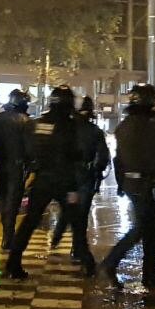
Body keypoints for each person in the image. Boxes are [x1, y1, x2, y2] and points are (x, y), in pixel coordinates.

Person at [6, 85, 82, 280]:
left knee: (30, 221)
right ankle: (88, 262)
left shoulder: (38, 123)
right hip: (63, 180)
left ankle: (13, 261)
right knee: (76, 221)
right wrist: (73, 187)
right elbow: (72, 155)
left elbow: (29, 150)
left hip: (42, 179)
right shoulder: (69, 125)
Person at [100, 84, 155, 289]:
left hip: (132, 182)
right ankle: (112, 262)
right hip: (143, 182)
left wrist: (122, 183)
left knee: (152, 228)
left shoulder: (124, 125)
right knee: (144, 227)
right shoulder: (152, 126)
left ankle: (150, 273)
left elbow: (118, 158)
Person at [51, 94, 109, 274]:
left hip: (67, 176)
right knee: (81, 215)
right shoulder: (95, 131)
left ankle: (59, 236)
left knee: (69, 208)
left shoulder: (68, 128)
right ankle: (79, 251)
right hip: (85, 176)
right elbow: (103, 157)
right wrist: (97, 171)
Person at [0, 88, 31, 251]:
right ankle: (9, 236)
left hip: (1, 164)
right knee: (13, 200)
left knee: (4, 198)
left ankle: (7, 234)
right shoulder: (26, 121)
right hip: (18, 166)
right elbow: (29, 147)